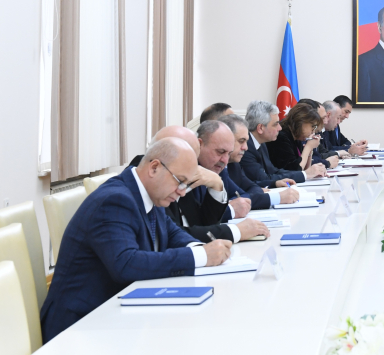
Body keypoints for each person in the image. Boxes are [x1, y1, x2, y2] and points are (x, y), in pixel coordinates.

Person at [40, 138, 232, 341]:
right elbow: (126, 263)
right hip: (79, 328)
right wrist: (201, 256)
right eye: (180, 181)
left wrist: (200, 247)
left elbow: (171, 233)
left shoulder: (150, 194)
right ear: (154, 168)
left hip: (117, 313)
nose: (182, 192)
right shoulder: (114, 200)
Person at [128, 125, 264, 243]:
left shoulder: (181, 172)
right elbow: (171, 236)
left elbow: (201, 223)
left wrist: (217, 185)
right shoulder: (145, 180)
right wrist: (235, 231)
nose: (193, 166)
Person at [218, 114, 300, 213]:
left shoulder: (233, 165)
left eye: (246, 142)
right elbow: (230, 202)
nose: (245, 148)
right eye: (241, 141)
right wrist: (277, 197)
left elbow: (251, 187)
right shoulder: (216, 166)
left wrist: (273, 184)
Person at [241, 100, 324, 183]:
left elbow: (273, 171)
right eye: (275, 124)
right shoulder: (246, 148)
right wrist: (305, 174)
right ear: (260, 128)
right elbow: (262, 178)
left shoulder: (261, 144)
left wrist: (305, 174)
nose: (280, 128)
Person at [267, 103, 331, 177]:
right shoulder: (281, 137)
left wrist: (310, 152)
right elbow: (296, 170)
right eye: (312, 126)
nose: (313, 132)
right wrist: (308, 147)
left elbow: (305, 170)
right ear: (301, 122)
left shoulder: (297, 136)